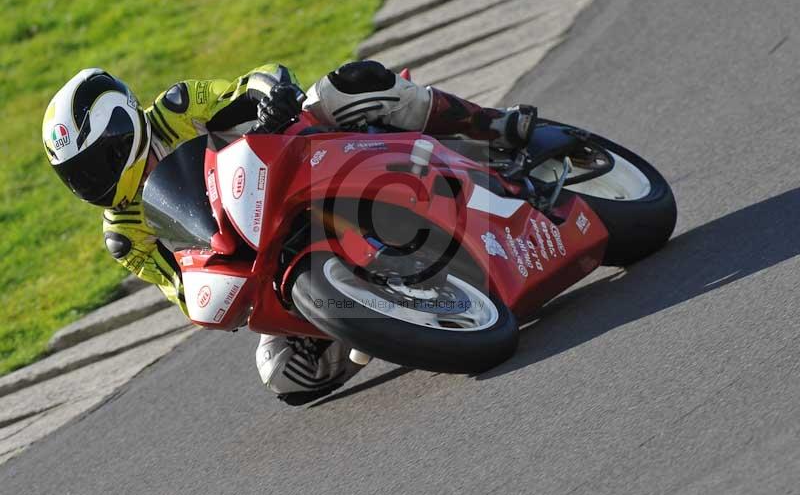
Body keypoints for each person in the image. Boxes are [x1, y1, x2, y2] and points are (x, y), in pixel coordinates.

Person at [41, 61, 535, 404]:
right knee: (284, 375)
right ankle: (384, 319)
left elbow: (250, 85)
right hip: (267, 262)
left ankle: (494, 126)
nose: (93, 183)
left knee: (346, 88)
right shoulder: (125, 235)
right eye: (77, 177)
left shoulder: (177, 107)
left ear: (122, 130)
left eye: (95, 164)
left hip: (300, 167)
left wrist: (269, 97)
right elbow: (185, 291)